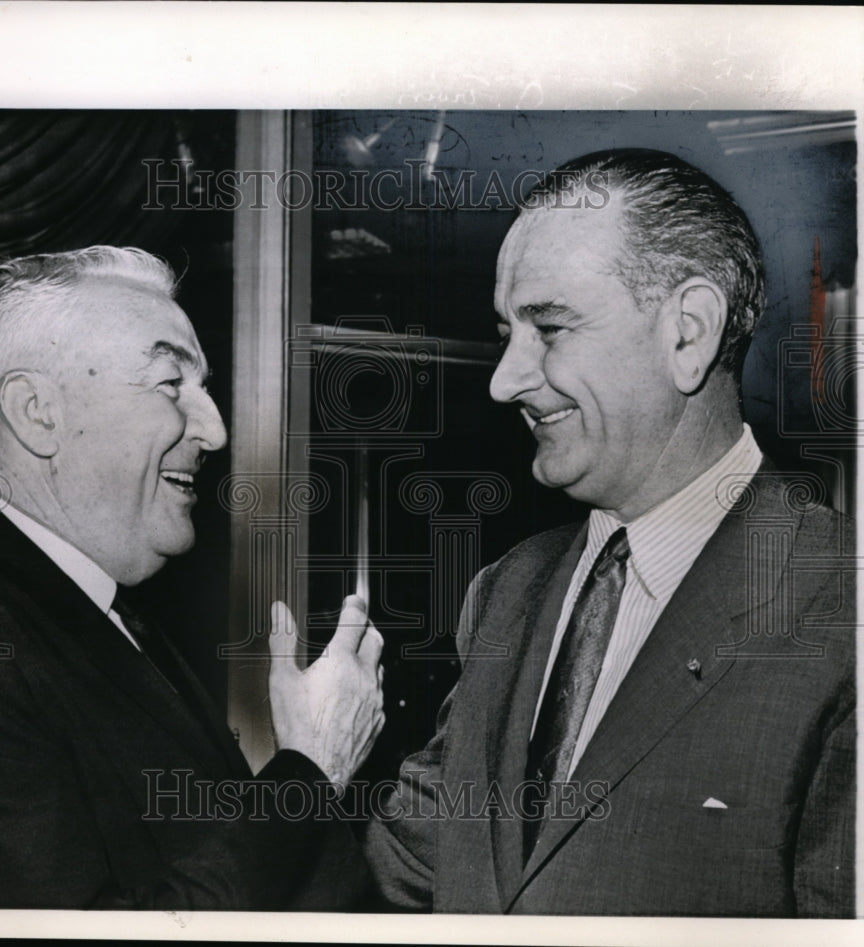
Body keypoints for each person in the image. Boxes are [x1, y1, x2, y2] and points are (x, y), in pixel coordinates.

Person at [363, 149, 855, 917]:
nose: (503, 380)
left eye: (549, 327)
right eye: (505, 332)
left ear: (687, 334)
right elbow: (406, 871)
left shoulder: (839, 606)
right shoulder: (508, 589)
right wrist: (311, 759)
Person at [0, 246, 385, 909]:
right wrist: (311, 769)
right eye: (169, 383)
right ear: (37, 411)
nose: (213, 430)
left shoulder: (93, 604)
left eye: (203, 387)